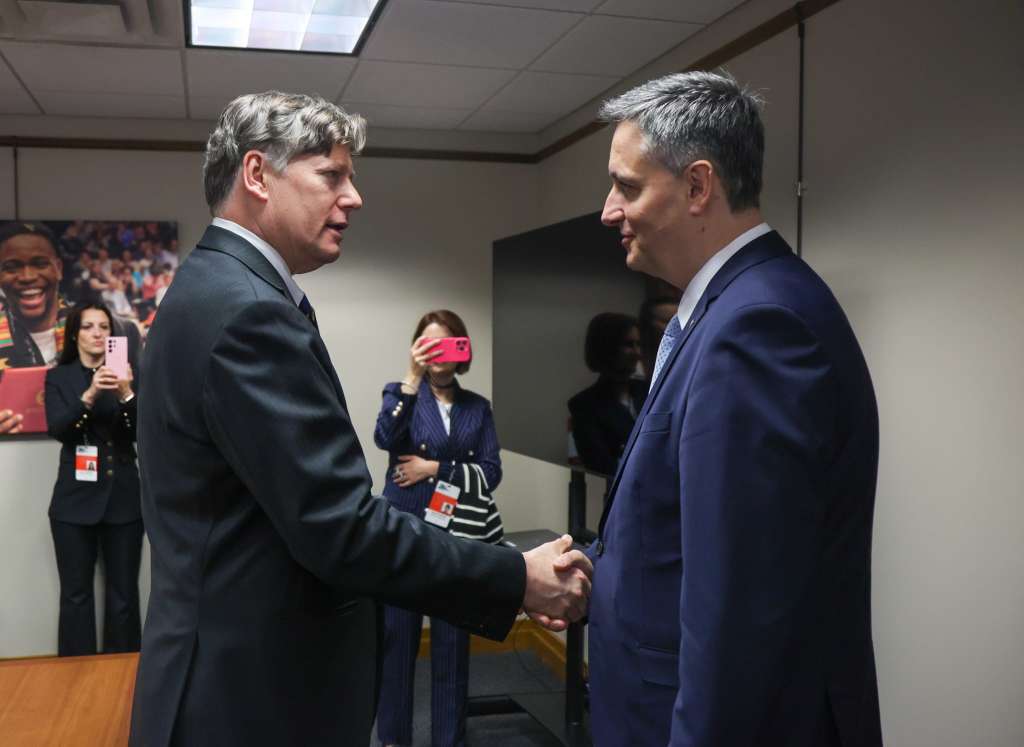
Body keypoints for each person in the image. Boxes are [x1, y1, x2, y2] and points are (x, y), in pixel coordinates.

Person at [129, 91, 592, 747]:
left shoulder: (215, 288)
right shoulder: (247, 311)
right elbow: (341, 526)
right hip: (250, 698)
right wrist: (517, 577)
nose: (354, 197)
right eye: (332, 175)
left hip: (231, 674)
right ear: (257, 174)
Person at [574, 71, 882, 746]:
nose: (608, 210)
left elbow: (739, 619)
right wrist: (598, 572)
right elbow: (681, 532)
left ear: (697, 187)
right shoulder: (722, 311)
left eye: (627, 186)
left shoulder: (758, 326)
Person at [374, 309, 503, 747]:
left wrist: (433, 468)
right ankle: (393, 739)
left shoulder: (477, 408)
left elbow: (491, 472)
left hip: (456, 536)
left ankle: (450, 739)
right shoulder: (401, 395)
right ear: (417, 349)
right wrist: (411, 378)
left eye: (448, 343)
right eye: (429, 344)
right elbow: (385, 438)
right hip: (405, 534)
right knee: (397, 642)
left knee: (452, 644)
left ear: (462, 348)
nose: (439, 353)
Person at [44, 302, 142, 656]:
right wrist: (89, 397)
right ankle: (75, 677)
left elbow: (141, 432)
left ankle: (124, 673)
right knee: (75, 596)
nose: (98, 333)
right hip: (74, 502)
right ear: (75, 334)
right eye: (88, 327)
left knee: (123, 596)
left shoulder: (127, 373)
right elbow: (59, 430)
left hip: (123, 499)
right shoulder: (59, 377)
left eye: (104, 327)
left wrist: (125, 393)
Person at [0, 222, 71, 435]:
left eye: (40, 264)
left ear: (58, 269)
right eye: (12, 267)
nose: (28, 276)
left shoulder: (105, 331)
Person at [567, 312, 646, 477]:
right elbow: (602, 467)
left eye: (638, 344)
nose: (637, 353)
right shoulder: (584, 406)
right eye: (629, 345)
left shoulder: (649, 391)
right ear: (607, 348)